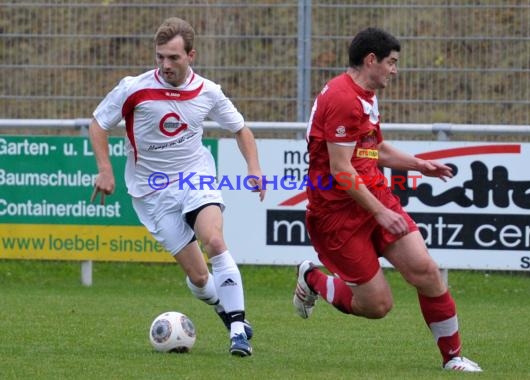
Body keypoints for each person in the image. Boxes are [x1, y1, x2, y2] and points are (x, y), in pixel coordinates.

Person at [293, 27, 482, 372]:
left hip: (374, 195)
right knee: (377, 305)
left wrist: (419, 164)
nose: (395, 70)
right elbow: (340, 169)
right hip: (336, 214)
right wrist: (380, 213)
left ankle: (453, 358)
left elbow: (373, 149)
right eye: (391, 62)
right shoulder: (342, 99)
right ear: (371, 61)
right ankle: (312, 279)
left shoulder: (365, 95)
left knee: (426, 271)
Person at [89, 17, 264, 357]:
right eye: (160, 58)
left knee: (214, 239)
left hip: (194, 176)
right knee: (199, 278)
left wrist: (254, 166)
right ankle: (224, 310)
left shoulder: (208, 92)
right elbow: (98, 125)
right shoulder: (133, 89)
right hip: (151, 193)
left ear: (191, 56)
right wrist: (105, 169)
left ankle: (238, 330)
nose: (165, 65)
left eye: (174, 58)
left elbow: (241, 129)